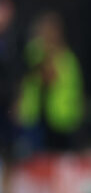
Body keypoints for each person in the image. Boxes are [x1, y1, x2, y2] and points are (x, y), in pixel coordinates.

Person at [15, 11, 84, 152]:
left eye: (52, 30)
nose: (48, 34)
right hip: (34, 118)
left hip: (62, 120)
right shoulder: (33, 52)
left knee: (59, 161)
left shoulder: (67, 57)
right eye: (45, 30)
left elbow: (53, 78)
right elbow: (27, 77)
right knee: (33, 161)